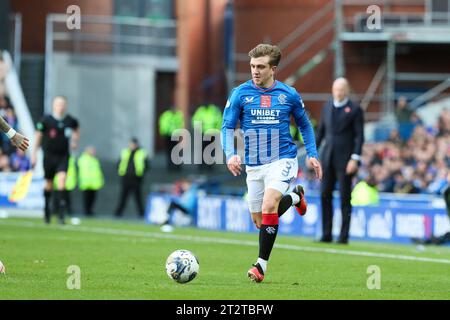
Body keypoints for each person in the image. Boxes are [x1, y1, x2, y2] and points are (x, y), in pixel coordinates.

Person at [221, 43, 322, 283]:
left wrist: (312, 153)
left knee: (269, 206)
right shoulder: (240, 94)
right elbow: (227, 126)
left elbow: (305, 125)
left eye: (261, 67)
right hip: (254, 165)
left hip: (283, 159)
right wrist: (230, 154)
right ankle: (296, 197)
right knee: (260, 222)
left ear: (273, 69)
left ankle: (260, 266)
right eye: (253, 66)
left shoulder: (288, 95)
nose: (255, 71)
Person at [316, 77, 364, 244]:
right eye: (336, 89)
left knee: (345, 197)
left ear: (347, 91)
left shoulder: (355, 109)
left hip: (345, 160)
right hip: (327, 157)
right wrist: (312, 153)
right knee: (324, 194)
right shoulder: (327, 106)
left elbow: (359, 136)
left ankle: (343, 236)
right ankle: (326, 233)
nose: (338, 92)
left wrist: (355, 159)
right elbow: (321, 131)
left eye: (341, 89)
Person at [31, 96, 80, 224]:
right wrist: (34, 154)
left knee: (62, 181)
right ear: (53, 105)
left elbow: (76, 130)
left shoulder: (70, 120)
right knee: (49, 184)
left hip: (63, 156)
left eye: (62, 104)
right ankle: (47, 209)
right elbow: (38, 136)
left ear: (66, 106)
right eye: (58, 104)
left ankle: (61, 214)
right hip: (49, 156)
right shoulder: (46, 120)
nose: (60, 106)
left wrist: (75, 141)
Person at [114, 137, 148, 218]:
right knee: (123, 197)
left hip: (136, 178)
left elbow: (146, 165)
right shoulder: (125, 152)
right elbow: (119, 163)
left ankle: (141, 213)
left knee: (138, 198)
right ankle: (118, 213)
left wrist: (141, 173)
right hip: (126, 178)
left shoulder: (142, 152)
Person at [192, 103, 222, 172]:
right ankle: (202, 166)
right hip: (203, 133)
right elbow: (195, 120)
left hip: (212, 133)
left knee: (210, 151)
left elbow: (219, 120)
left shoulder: (214, 110)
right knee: (202, 150)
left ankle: (209, 166)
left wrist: (218, 131)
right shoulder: (201, 110)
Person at [78, 146, 104, 216]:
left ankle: (90, 211)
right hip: (86, 183)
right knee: (86, 198)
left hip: (94, 183)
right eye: (92, 151)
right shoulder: (83, 159)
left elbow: (98, 171)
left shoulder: (95, 160)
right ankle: (86, 211)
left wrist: (100, 180)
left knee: (93, 199)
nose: (93, 152)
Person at [159, 106, 184, 171]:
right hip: (168, 135)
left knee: (176, 151)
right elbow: (163, 124)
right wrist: (164, 133)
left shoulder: (178, 115)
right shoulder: (166, 115)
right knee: (169, 151)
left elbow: (181, 124)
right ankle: (170, 166)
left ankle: (177, 166)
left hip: (175, 135)